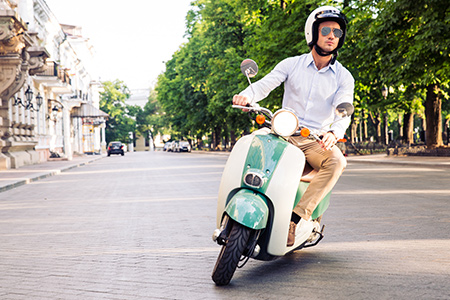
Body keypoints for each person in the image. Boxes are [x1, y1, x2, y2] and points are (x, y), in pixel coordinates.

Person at [232, 6, 354, 246]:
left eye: (337, 33)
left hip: (314, 139)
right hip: (282, 131)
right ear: (313, 33)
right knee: (247, 146)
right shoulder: (291, 64)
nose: (332, 36)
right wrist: (246, 96)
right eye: (327, 30)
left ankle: (296, 219)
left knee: (338, 161)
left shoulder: (343, 76)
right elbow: (264, 85)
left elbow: (344, 109)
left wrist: (334, 132)